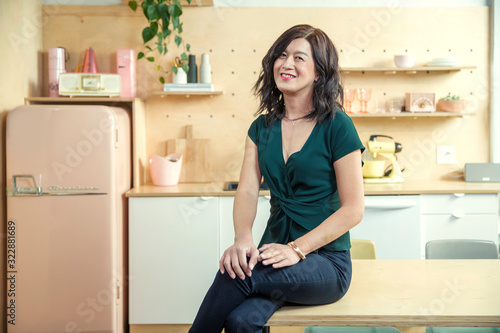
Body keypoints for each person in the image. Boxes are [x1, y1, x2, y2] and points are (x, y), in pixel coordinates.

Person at [189, 24, 365, 333]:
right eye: (281, 56)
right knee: (241, 321)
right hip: (275, 254)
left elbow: (353, 209)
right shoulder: (261, 128)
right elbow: (246, 191)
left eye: (299, 58)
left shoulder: (338, 125)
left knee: (237, 276)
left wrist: (297, 249)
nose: (286, 64)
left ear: (319, 73)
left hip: (325, 263)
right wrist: (242, 238)